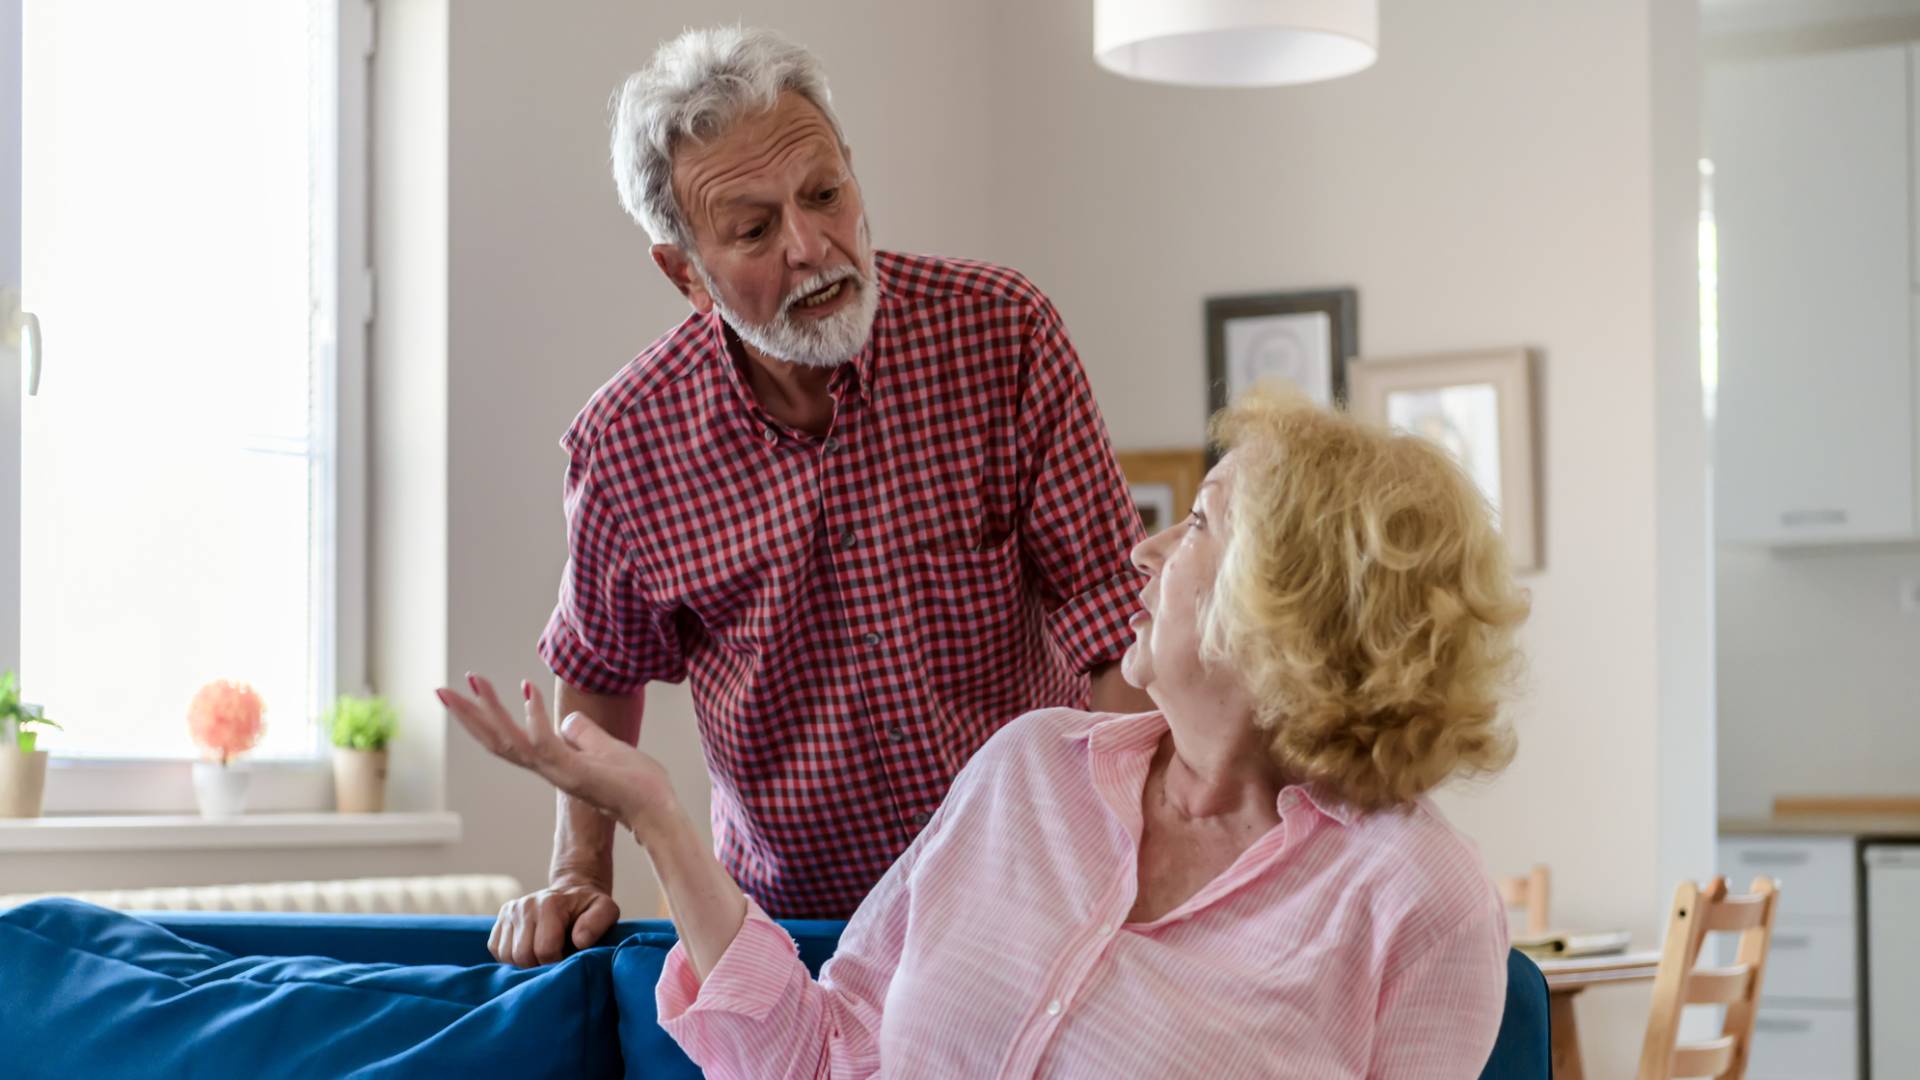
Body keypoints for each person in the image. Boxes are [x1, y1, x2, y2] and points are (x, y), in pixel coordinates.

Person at [443, 384, 1532, 1077]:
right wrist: (658, 818)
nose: (1145, 552)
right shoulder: (1027, 770)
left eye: (1198, 524)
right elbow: (820, 1055)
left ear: (1286, 604)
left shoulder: (1416, 896)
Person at [492, 26, 1153, 964]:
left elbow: (1112, 622)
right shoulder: (628, 441)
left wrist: (1128, 860)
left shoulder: (1004, 336)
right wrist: (578, 871)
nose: (812, 248)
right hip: (794, 938)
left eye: (824, 194)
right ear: (685, 273)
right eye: (754, 230)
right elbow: (601, 669)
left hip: (1029, 906)